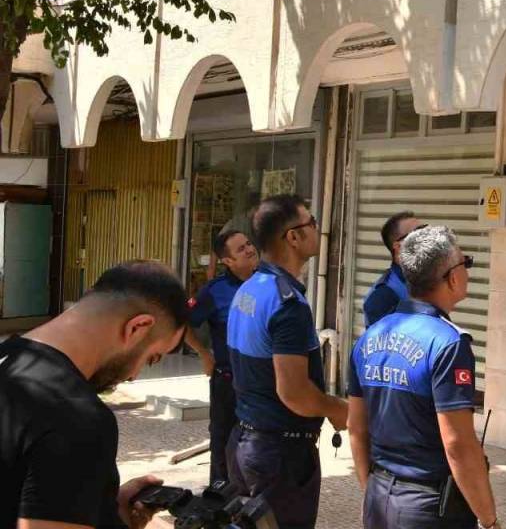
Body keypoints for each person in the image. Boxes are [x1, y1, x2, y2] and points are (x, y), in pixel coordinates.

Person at [0, 260, 190, 529]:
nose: (134, 375)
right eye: (151, 358)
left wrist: (99, 509)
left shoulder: (9, 360)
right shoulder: (76, 417)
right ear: (137, 327)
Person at [348, 225, 498, 529]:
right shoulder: (448, 344)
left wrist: (371, 491)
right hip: (429, 507)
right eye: (466, 263)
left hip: (380, 498)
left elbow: (356, 428)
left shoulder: (370, 336)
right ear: (452, 277)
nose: (468, 271)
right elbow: (458, 445)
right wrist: (490, 520)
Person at [227, 194, 348, 529]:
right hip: (279, 454)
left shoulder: (250, 289)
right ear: (293, 237)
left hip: (244, 444)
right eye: (311, 222)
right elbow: (294, 393)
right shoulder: (287, 304)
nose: (317, 229)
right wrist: (340, 410)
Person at [185, 229, 259, 486]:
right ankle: (220, 496)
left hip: (263, 380)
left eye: (249, 244)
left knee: (261, 440)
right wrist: (204, 354)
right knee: (222, 439)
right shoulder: (214, 291)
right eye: (241, 249)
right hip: (228, 380)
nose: (250, 250)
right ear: (227, 261)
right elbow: (184, 323)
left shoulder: (268, 284)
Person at [362, 211, 422, 328]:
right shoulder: (382, 296)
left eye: (425, 231)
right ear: (398, 247)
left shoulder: (427, 279)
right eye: (417, 234)